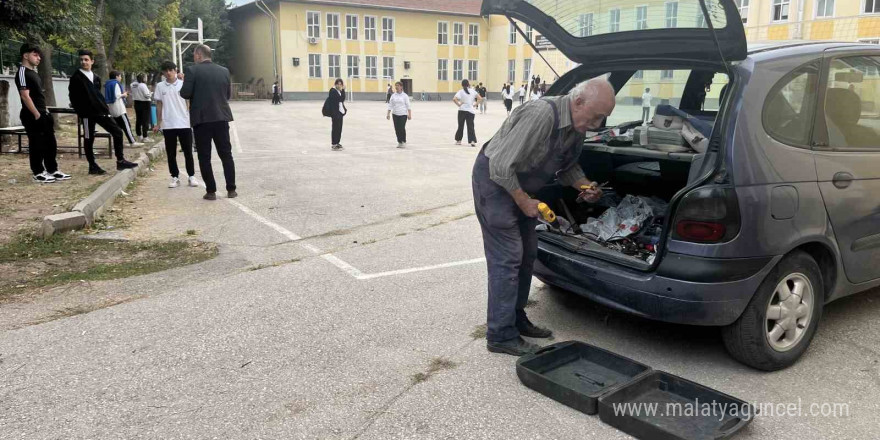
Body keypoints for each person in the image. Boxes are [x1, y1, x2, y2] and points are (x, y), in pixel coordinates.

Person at [473, 78, 615, 356]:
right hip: (495, 182)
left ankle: (515, 317)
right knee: (508, 257)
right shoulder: (540, 114)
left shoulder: (577, 125)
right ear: (578, 102)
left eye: (602, 119)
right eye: (596, 117)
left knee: (528, 254)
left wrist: (583, 185)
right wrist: (524, 200)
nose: (597, 125)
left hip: (524, 186)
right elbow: (501, 166)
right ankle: (500, 334)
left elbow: (567, 167)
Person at [180, 44, 237, 201]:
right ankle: (231, 189)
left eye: (194, 55)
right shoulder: (224, 71)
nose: (193, 58)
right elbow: (227, 95)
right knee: (226, 154)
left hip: (202, 120)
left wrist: (185, 81)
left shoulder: (192, 71)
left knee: (204, 156)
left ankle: (211, 191)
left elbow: (185, 93)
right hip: (221, 118)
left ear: (199, 55)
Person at [68, 49, 138, 174]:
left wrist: (104, 108)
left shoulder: (96, 77)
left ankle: (120, 161)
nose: (83, 62)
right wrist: (81, 112)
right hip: (86, 114)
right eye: (81, 60)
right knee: (89, 138)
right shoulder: (76, 77)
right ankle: (92, 165)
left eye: (86, 59)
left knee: (117, 131)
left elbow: (98, 95)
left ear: (92, 61)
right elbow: (73, 97)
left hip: (100, 111)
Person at [16, 43, 69, 183]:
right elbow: (25, 95)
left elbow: (38, 95)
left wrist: (44, 111)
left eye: (39, 55)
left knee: (50, 142)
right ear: (25, 55)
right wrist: (36, 114)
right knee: (37, 144)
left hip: (42, 113)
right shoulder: (22, 72)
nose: (38, 58)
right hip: (32, 115)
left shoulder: (34, 73)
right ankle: (38, 172)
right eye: (35, 55)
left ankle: (52, 169)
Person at [153, 60, 197, 189]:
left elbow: (189, 102)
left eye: (171, 70)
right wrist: (158, 123)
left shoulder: (183, 85)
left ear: (175, 70)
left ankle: (191, 176)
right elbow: (159, 105)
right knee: (171, 153)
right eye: (166, 70)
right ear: (163, 72)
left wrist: (191, 119)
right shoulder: (160, 86)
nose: (168, 73)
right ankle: (175, 177)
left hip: (184, 123)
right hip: (168, 124)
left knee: (188, 151)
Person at [104, 70, 141, 146]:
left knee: (117, 127)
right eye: (120, 76)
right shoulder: (115, 83)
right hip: (119, 109)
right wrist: (124, 94)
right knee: (126, 125)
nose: (121, 78)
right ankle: (132, 142)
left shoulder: (107, 84)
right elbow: (117, 95)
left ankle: (118, 143)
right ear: (116, 76)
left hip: (112, 108)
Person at [453, 79, 481, 147]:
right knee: (471, 126)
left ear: (462, 85)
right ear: (468, 84)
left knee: (460, 126)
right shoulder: (473, 91)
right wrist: (475, 104)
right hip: (470, 111)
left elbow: (454, 99)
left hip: (462, 110)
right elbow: (480, 98)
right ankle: (472, 141)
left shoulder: (461, 91)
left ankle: (459, 141)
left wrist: (459, 104)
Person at [323, 78, 347, 151]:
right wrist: (342, 90)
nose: (339, 85)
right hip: (335, 113)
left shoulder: (339, 91)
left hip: (340, 113)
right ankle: (334, 144)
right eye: (338, 84)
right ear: (335, 84)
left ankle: (337, 142)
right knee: (335, 129)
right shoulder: (333, 91)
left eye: (340, 84)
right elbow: (339, 99)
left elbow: (342, 99)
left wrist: (343, 90)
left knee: (339, 129)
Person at [386, 81, 412, 148]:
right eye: (396, 85)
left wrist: (409, 114)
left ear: (401, 87)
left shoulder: (405, 96)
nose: (396, 87)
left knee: (401, 128)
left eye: (398, 85)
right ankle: (399, 142)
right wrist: (388, 114)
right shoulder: (393, 95)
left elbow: (408, 105)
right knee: (397, 129)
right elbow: (390, 105)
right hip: (395, 114)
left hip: (403, 114)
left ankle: (403, 141)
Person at [130, 74, 152, 142]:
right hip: (145, 103)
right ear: (143, 78)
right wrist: (151, 93)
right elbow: (147, 95)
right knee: (145, 120)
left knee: (138, 119)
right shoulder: (143, 85)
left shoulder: (132, 84)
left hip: (136, 102)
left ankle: (139, 135)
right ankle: (145, 136)